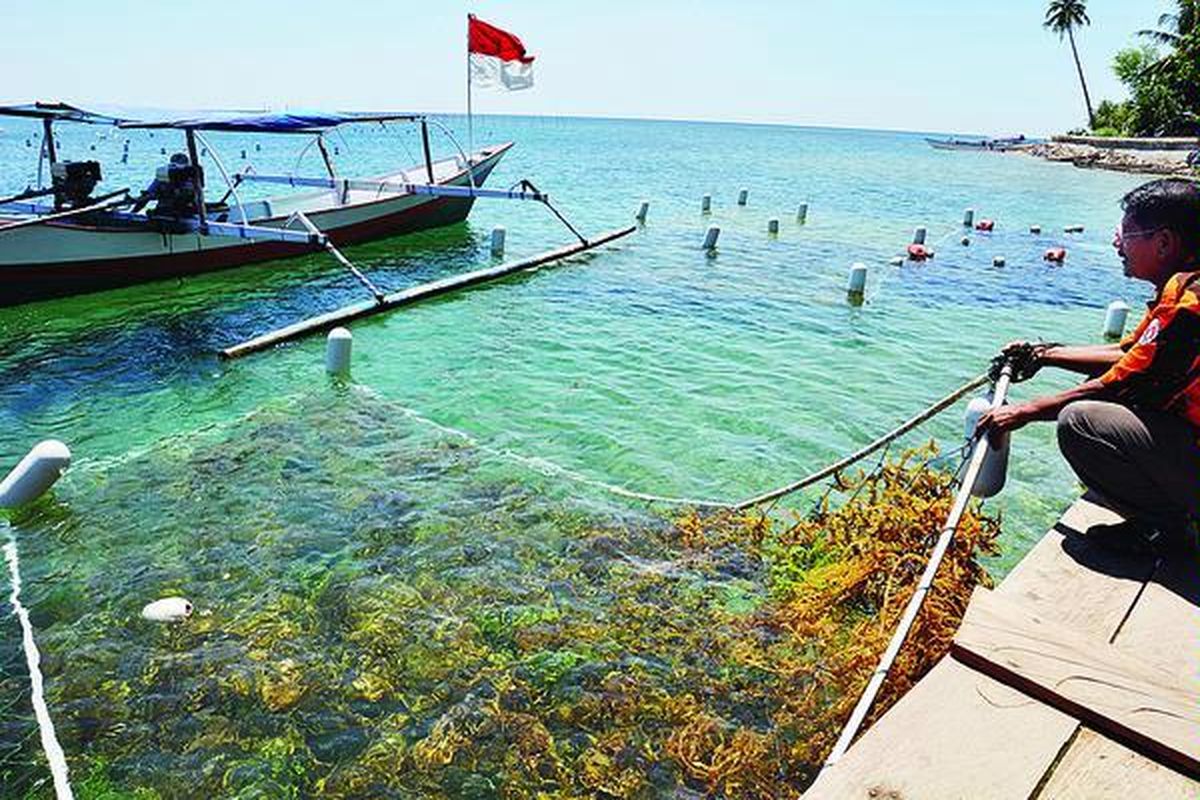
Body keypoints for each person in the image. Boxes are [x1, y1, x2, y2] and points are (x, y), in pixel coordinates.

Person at [978, 178, 1200, 553]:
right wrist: (1045, 354)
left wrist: (1023, 412)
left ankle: (1166, 530)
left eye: (1126, 235)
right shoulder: (1184, 288)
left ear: (1164, 242)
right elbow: (1131, 353)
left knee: (1080, 421)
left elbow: (1124, 382)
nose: (1117, 245)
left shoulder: (1190, 303)